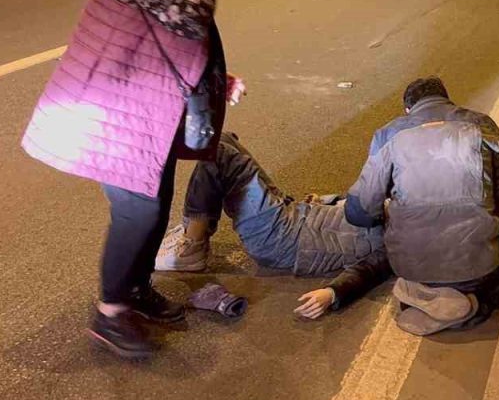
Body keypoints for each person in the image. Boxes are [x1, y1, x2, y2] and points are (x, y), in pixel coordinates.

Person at [21, 0, 243, 359]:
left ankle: (135, 290)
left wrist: (224, 85)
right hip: (112, 113)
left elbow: (170, 45)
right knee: (137, 212)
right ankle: (109, 313)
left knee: (156, 205)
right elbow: (188, 22)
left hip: (142, 114)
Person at [155, 134, 392, 319]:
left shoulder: (403, 238)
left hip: (283, 239)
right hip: (296, 215)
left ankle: (190, 248)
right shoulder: (411, 204)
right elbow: (361, 202)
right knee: (223, 138)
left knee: (218, 155)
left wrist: (333, 293)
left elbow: (369, 271)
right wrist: (327, 200)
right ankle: (193, 235)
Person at [345, 77, 499, 336]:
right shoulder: (482, 125)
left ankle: (422, 294)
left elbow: (361, 210)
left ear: (408, 109)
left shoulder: (388, 134)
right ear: (447, 100)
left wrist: (386, 214)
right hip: (478, 267)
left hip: (412, 267)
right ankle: (472, 305)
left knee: (395, 218)